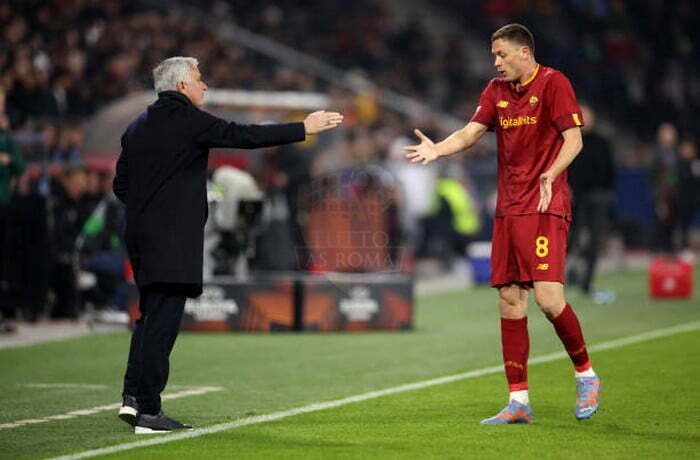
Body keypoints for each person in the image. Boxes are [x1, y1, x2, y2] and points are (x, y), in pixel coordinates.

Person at [113, 56, 342, 434]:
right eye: (199, 78)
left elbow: (120, 185)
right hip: (173, 238)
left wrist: (149, 209)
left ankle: (133, 397)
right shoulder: (189, 120)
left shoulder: (136, 126)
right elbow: (244, 135)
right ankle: (149, 411)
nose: (204, 85)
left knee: (149, 315)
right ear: (181, 85)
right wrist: (303, 127)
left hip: (140, 234)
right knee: (164, 321)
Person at [405, 24, 600, 423]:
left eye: (501, 54)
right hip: (509, 209)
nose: (495, 62)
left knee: (548, 299)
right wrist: (438, 149)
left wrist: (551, 173)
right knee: (510, 301)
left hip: (545, 205)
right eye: (493, 55)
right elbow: (470, 133)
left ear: (524, 52)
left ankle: (586, 375)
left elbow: (574, 139)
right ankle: (518, 402)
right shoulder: (495, 91)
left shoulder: (553, 83)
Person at [567, 103, 615, 295]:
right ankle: (566, 276)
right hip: (576, 198)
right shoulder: (569, 140)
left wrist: (608, 194)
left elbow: (609, 171)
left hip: (598, 197)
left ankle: (587, 282)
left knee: (594, 241)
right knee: (571, 239)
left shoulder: (602, 142)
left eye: (586, 115)